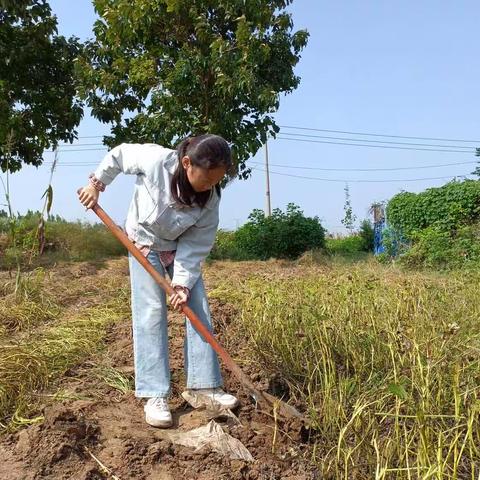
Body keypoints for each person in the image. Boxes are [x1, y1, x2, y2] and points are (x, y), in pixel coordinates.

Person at [77, 134, 238, 428]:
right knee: (151, 313)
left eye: (217, 180)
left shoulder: (211, 198)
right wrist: (96, 185)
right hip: (144, 243)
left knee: (198, 307)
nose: (210, 185)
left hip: (179, 248)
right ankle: (155, 394)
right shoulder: (157, 161)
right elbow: (121, 154)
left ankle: (203, 387)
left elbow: (197, 243)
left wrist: (182, 284)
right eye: (206, 178)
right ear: (186, 163)